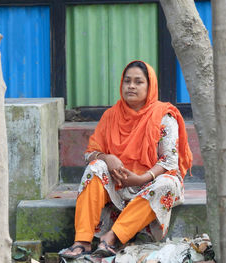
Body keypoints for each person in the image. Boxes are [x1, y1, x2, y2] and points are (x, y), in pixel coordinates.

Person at [59, 60, 192, 259]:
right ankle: (83, 241)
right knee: (96, 167)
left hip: (151, 182)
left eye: (138, 82)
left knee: (169, 184)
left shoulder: (163, 116)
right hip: (119, 184)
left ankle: (112, 237)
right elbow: (90, 153)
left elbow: (169, 162)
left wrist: (141, 179)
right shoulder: (111, 115)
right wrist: (107, 158)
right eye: (127, 81)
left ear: (150, 86)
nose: (131, 86)